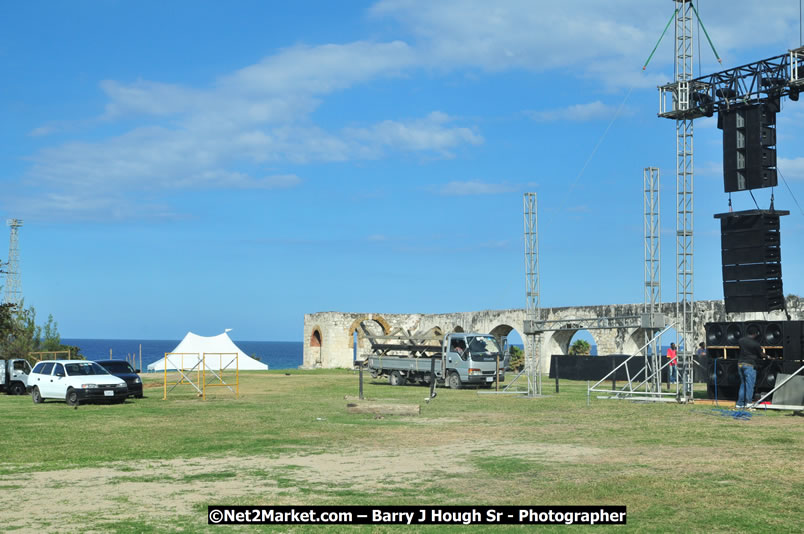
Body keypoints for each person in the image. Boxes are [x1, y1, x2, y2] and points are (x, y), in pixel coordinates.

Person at [736, 330, 764, 409]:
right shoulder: (755, 344)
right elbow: (761, 354)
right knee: (750, 385)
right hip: (749, 365)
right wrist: (768, 356)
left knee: (743, 384)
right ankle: (748, 403)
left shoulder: (741, 340)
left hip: (740, 364)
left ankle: (739, 404)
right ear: (755, 334)